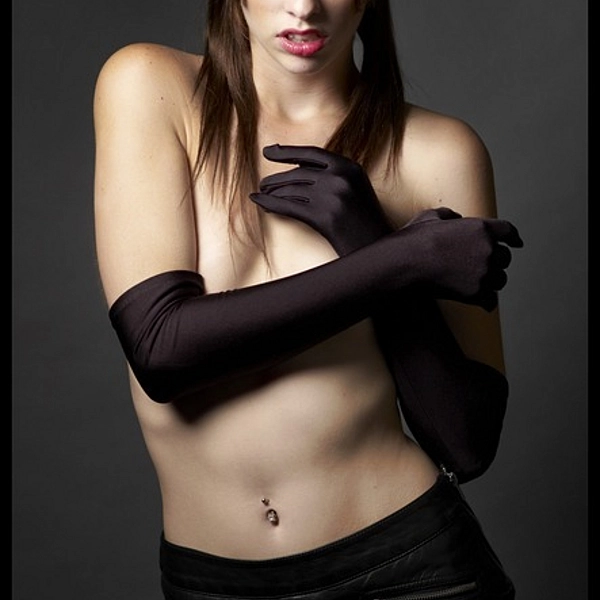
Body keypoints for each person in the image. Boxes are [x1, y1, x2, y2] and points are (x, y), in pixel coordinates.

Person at [93, 1, 523, 598]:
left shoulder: (439, 150)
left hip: (412, 567)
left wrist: (365, 237)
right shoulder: (151, 85)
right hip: (212, 584)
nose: (304, 7)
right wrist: (399, 259)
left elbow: (467, 442)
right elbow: (161, 348)